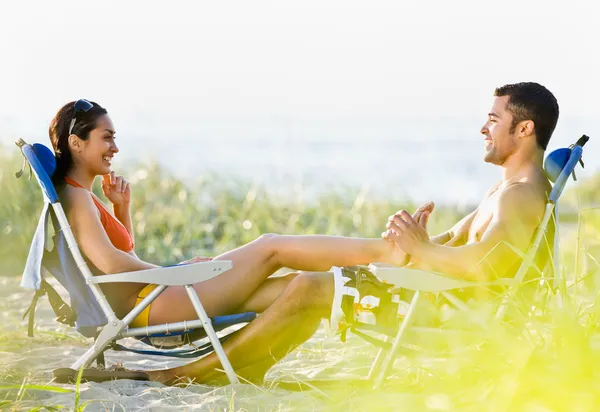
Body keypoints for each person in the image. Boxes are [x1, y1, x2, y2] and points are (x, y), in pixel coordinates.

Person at [48, 81, 558, 385]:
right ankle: (239, 366)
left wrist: (419, 250)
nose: (483, 128)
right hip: (437, 292)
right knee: (293, 278)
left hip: (443, 307)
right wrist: (420, 243)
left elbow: (485, 267)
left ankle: (181, 375)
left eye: (493, 119)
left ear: (524, 130)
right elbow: (460, 248)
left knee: (307, 281)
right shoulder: (506, 189)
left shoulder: (516, 197)